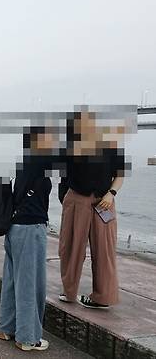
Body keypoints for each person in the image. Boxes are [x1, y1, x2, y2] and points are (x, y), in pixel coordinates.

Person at [57, 111, 127, 309]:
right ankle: (69, 291)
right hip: (76, 198)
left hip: (104, 201)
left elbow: (120, 174)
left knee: (104, 249)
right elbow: (63, 176)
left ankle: (103, 296)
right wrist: (65, 199)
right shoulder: (69, 147)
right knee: (70, 246)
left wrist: (111, 193)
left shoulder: (111, 143)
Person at [0, 126, 55, 351]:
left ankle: (6, 328)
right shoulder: (41, 163)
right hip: (31, 229)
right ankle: (28, 337)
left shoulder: (26, 162)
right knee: (30, 284)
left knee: (12, 280)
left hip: (15, 228)